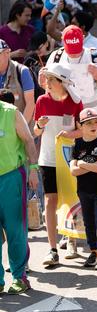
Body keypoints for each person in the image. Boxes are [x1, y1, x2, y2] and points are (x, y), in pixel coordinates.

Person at [34, 64, 84, 265]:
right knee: (50, 201)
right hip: (47, 159)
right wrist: (40, 125)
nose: (47, 82)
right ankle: (52, 249)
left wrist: (70, 134)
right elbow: (36, 132)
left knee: (71, 200)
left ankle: (71, 240)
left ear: (61, 83)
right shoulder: (42, 100)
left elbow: (84, 130)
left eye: (51, 79)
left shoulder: (74, 102)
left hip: (69, 159)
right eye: (46, 78)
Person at [0, 100, 39, 294]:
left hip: (11, 177)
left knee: (15, 229)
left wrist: (33, 168)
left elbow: (28, 140)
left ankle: (19, 277)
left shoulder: (10, 112)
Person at [69, 108, 97, 272]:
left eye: (96, 122)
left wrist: (82, 164)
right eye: (88, 123)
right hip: (84, 191)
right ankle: (93, 252)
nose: (94, 125)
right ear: (80, 126)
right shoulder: (77, 144)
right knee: (89, 222)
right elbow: (73, 171)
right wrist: (93, 166)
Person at [0, 39, 36, 123]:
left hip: (22, 127)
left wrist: (20, 129)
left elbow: (30, 104)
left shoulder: (22, 71)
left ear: (7, 53)